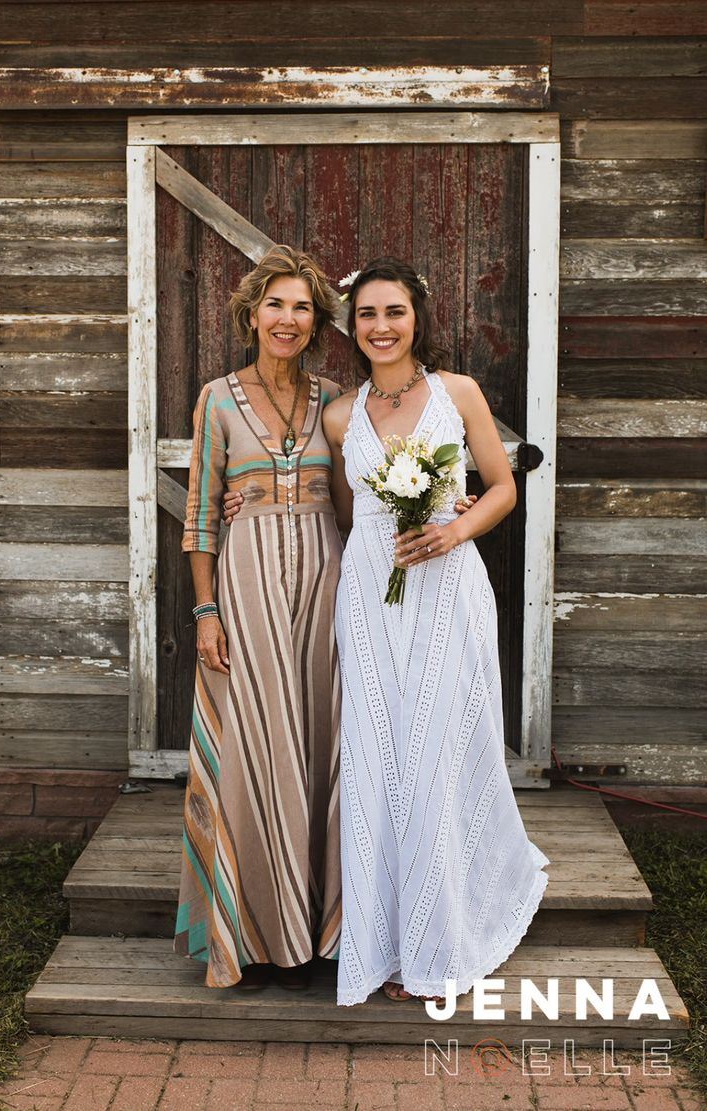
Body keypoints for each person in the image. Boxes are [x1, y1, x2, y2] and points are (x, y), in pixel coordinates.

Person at [322, 257, 549, 1006]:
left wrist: (452, 534)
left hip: (446, 587)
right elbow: (342, 515)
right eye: (366, 315)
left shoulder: (457, 393)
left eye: (393, 312)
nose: (380, 327)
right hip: (370, 595)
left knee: (435, 749)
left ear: (417, 316)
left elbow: (503, 486)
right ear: (350, 327)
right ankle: (382, 937)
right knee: (379, 753)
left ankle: (440, 935)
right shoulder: (339, 414)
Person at [174, 244, 344, 991]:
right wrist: (206, 610)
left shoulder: (334, 396)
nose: (288, 318)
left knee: (321, 736)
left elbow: (352, 497)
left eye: (302, 306)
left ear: (316, 321)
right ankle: (248, 930)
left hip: (325, 575)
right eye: (275, 303)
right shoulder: (217, 397)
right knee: (252, 739)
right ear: (251, 313)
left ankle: (323, 930)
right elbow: (199, 517)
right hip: (244, 585)